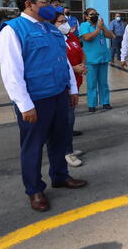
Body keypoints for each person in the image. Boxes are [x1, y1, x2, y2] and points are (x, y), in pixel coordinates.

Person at [0, 0, 86, 212]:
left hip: (58, 95)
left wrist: (72, 89)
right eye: (45, 3)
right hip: (35, 101)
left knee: (59, 140)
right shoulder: (13, 30)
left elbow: (63, 61)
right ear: (29, 4)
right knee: (33, 147)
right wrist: (25, 105)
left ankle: (60, 176)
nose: (51, 7)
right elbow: (11, 72)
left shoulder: (51, 28)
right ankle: (35, 190)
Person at [51, 12, 88, 168]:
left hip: (75, 82)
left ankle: (68, 148)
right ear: (52, 24)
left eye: (65, 21)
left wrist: (82, 66)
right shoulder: (53, 39)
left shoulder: (71, 37)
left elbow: (81, 52)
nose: (65, 24)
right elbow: (54, 63)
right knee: (66, 119)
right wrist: (74, 68)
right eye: (61, 22)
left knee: (70, 118)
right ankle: (66, 152)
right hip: (62, 85)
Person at [79, 8, 115, 113]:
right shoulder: (84, 26)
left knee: (103, 82)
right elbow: (87, 38)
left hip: (103, 58)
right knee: (92, 83)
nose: (94, 16)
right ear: (86, 16)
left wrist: (102, 27)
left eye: (96, 14)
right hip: (91, 60)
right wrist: (98, 29)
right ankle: (92, 104)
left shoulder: (101, 24)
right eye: (91, 14)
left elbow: (110, 36)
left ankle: (105, 102)